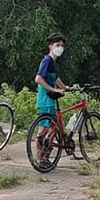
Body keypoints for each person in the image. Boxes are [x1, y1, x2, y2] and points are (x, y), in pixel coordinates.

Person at [34, 33, 68, 163]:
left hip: (50, 99)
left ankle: (45, 155)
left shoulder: (52, 62)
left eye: (62, 46)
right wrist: (54, 89)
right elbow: (38, 79)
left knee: (54, 128)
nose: (60, 48)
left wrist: (64, 87)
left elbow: (56, 78)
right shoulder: (47, 60)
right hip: (45, 99)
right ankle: (39, 157)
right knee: (43, 129)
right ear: (50, 46)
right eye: (57, 45)